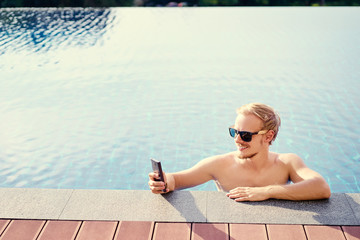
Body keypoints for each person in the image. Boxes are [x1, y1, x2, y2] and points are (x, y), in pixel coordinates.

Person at [148, 103, 331, 201]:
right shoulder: (219, 165)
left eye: (245, 135)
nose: (237, 140)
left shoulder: (287, 163)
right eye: (234, 132)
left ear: (268, 136)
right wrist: (163, 181)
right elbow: (177, 180)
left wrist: (267, 192)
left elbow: (321, 188)